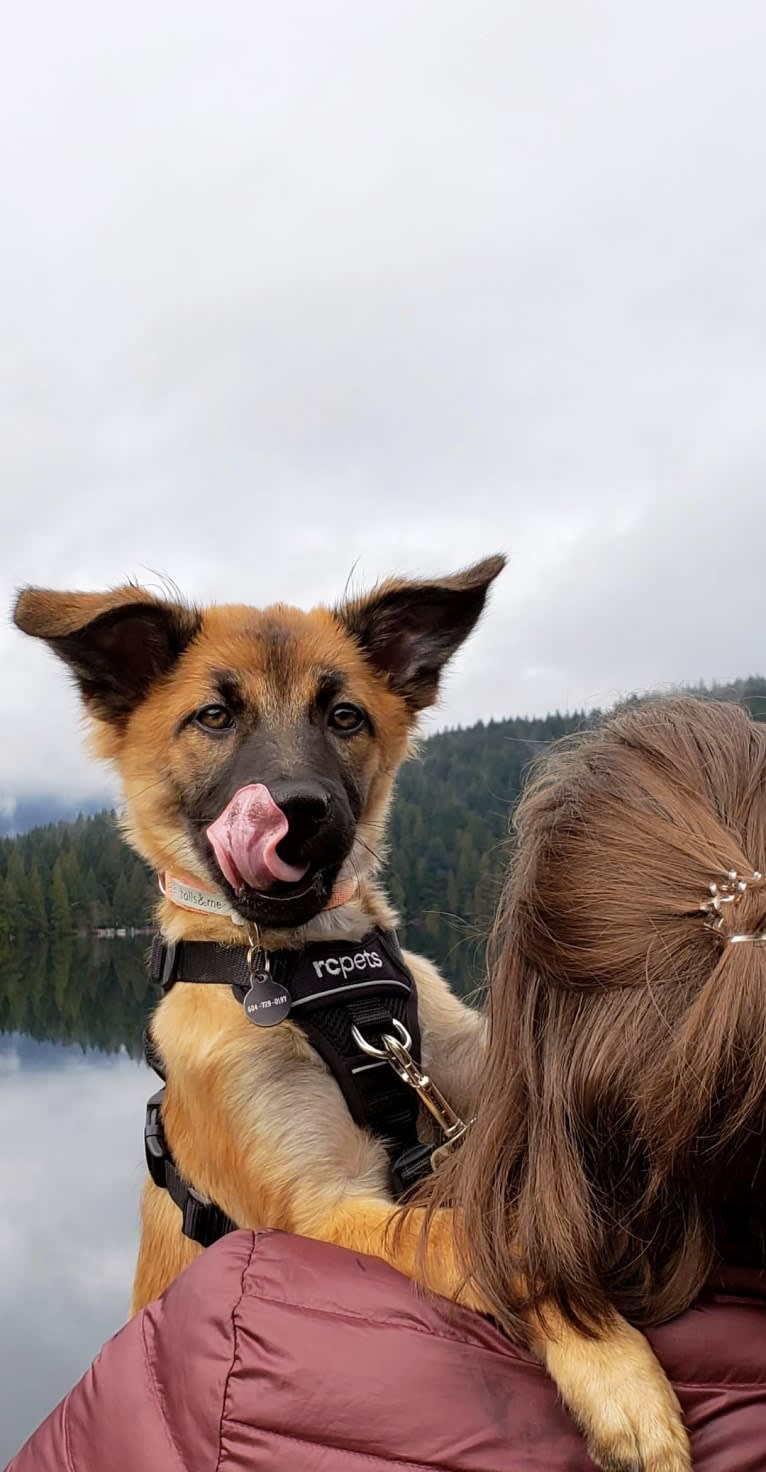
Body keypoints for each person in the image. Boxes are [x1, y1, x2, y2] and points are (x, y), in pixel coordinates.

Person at [7, 697, 766, 1472]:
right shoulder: (222, 1038)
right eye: (217, 720)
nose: (291, 776)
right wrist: (556, 1304)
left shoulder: (404, 989)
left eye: (338, 718)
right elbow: (335, 1220)